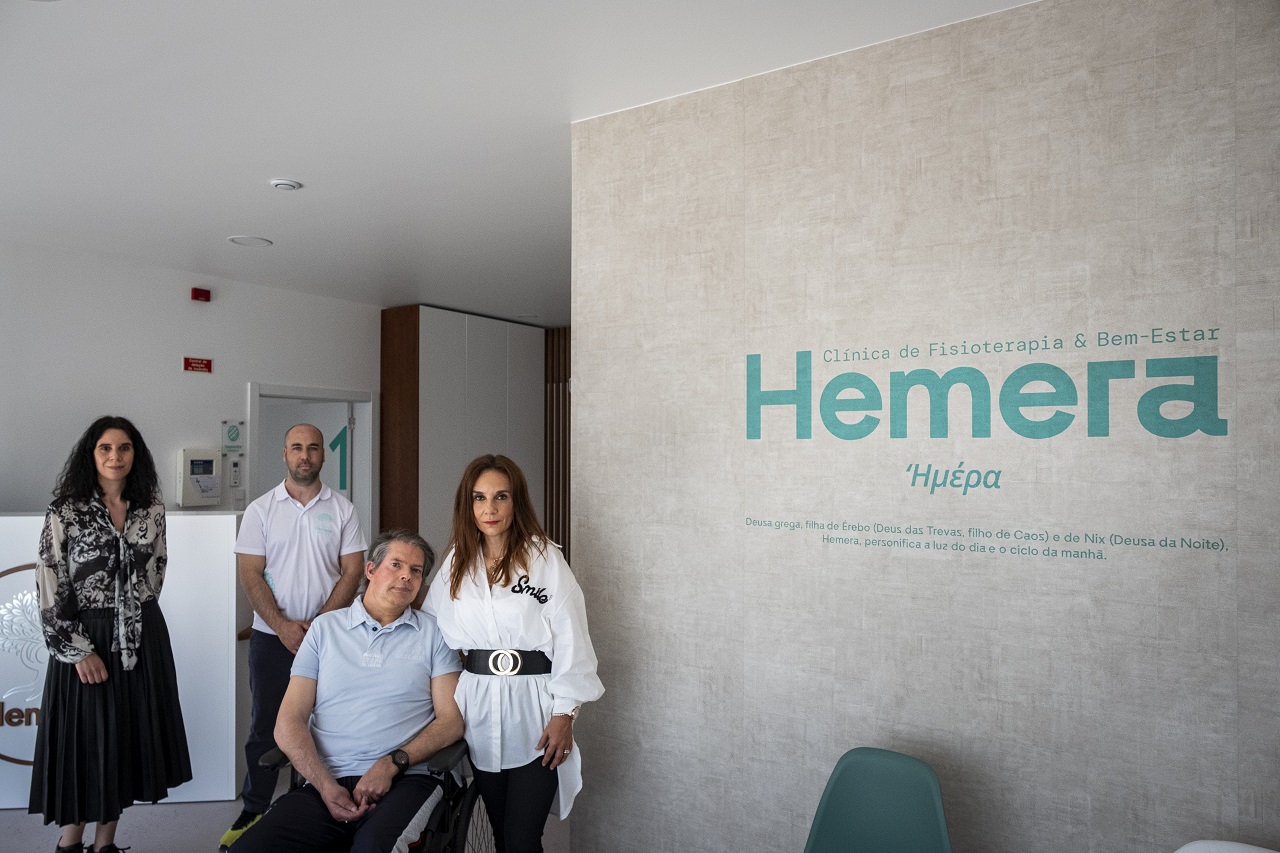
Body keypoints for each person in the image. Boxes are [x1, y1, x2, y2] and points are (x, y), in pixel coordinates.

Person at [232, 530, 463, 853]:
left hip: (409, 778)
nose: (406, 576)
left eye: (416, 570)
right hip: (329, 780)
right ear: (370, 570)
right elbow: (289, 721)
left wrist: (393, 763)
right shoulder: (324, 630)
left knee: (372, 847)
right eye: (396, 565)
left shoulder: (434, 634)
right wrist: (325, 785)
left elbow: (451, 721)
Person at [29, 416, 192, 853]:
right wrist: (77, 650)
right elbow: (50, 582)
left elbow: (157, 569)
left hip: (141, 635)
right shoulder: (66, 511)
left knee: (123, 745)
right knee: (84, 747)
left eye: (124, 448)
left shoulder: (151, 509)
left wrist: (135, 620)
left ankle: (105, 846)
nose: (115, 456)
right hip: (86, 639)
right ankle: (69, 845)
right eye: (106, 448)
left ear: (135, 454)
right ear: (92, 454)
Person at [424, 454, 603, 853]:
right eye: (479, 498)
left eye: (500, 497)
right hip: (478, 711)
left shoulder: (544, 559)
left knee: (522, 839)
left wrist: (564, 714)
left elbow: (572, 637)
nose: (489, 509)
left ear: (516, 500)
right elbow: (430, 629)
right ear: (468, 504)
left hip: (536, 713)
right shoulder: (457, 563)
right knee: (503, 836)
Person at [222, 423, 368, 848]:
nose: (305, 455)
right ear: (285, 454)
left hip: (331, 638)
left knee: (326, 723)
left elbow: (353, 572)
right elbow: (250, 573)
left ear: (323, 455)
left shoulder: (343, 509)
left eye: (313, 448)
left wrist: (319, 626)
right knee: (266, 726)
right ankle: (254, 808)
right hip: (271, 639)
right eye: (297, 448)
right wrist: (282, 626)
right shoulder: (261, 510)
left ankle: (312, 802)